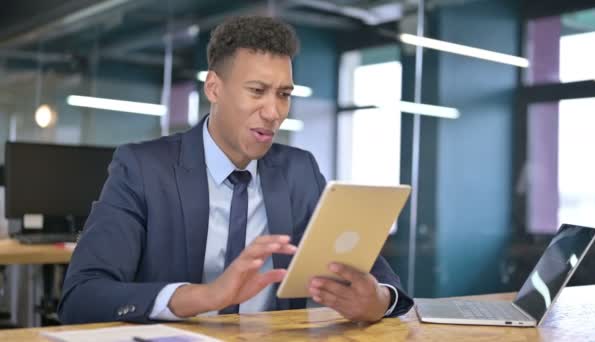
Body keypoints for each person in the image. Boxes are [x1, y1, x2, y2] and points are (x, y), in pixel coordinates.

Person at [58, 15, 413, 324]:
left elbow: (381, 281)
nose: (274, 112)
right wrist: (206, 296)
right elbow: (81, 296)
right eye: (257, 91)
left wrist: (377, 300)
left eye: (284, 94)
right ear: (214, 87)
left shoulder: (298, 170)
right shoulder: (143, 169)